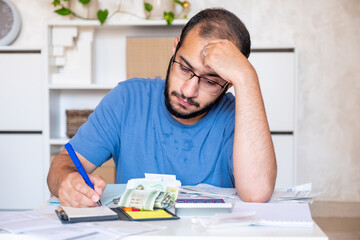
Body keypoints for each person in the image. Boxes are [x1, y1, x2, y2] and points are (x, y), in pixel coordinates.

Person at [47, 8, 277, 207]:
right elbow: (63, 165)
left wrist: (247, 78)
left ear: (228, 84)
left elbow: (256, 193)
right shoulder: (127, 99)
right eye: (185, 68)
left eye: (210, 81)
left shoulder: (239, 116)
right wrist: (68, 181)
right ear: (175, 48)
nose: (188, 91)